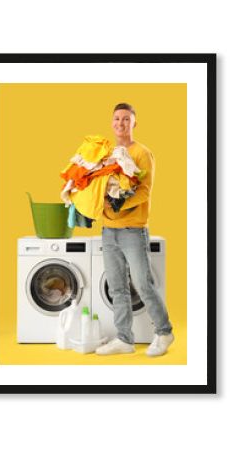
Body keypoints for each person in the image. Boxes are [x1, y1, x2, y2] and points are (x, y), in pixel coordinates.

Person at [96, 103, 174, 357]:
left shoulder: (143, 153)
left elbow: (143, 191)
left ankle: (164, 332)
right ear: (112, 122)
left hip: (133, 230)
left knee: (143, 284)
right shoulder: (107, 153)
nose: (121, 123)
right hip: (108, 230)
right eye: (117, 119)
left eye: (126, 119)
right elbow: (99, 186)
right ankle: (124, 339)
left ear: (134, 123)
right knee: (117, 287)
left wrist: (118, 204)